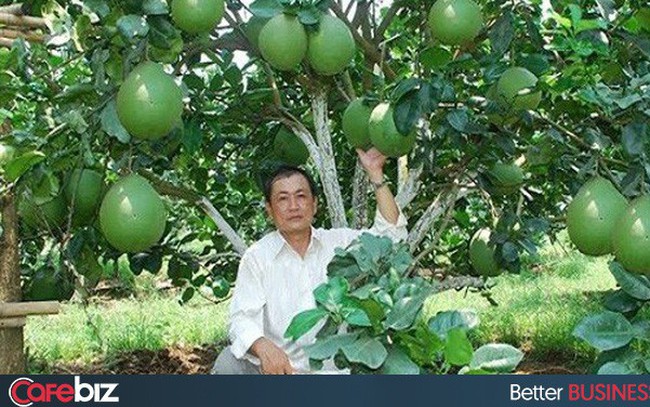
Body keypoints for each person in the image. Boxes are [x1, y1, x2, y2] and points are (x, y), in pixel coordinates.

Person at [211, 148, 408, 375]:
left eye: (301, 196)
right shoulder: (258, 257)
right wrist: (262, 346)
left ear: (315, 205)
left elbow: (392, 239)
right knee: (228, 364)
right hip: (279, 374)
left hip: (337, 373)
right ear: (269, 210)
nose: (293, 206)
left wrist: (376, 174)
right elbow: (241, 318)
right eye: (283, 199)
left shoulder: (341, 243)